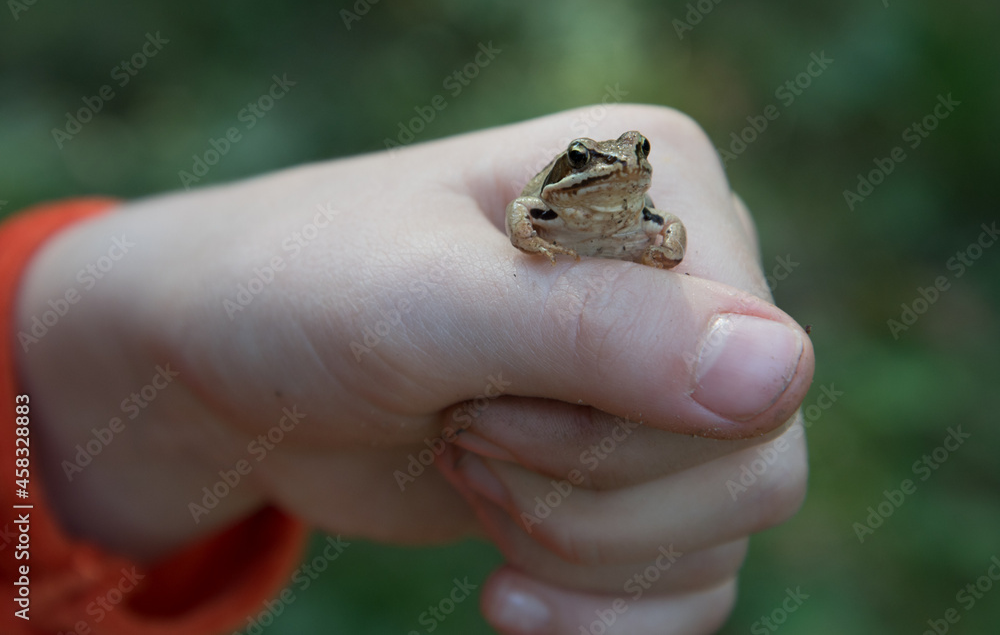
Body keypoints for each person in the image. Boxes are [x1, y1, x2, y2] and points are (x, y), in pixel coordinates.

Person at [1, 104, 813, 635]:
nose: (619, 163)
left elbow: (667, 241)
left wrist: (111, 368)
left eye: (630, 156)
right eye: (593, 156)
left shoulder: (643, 213)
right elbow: (527, 226)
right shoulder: (546, 204)